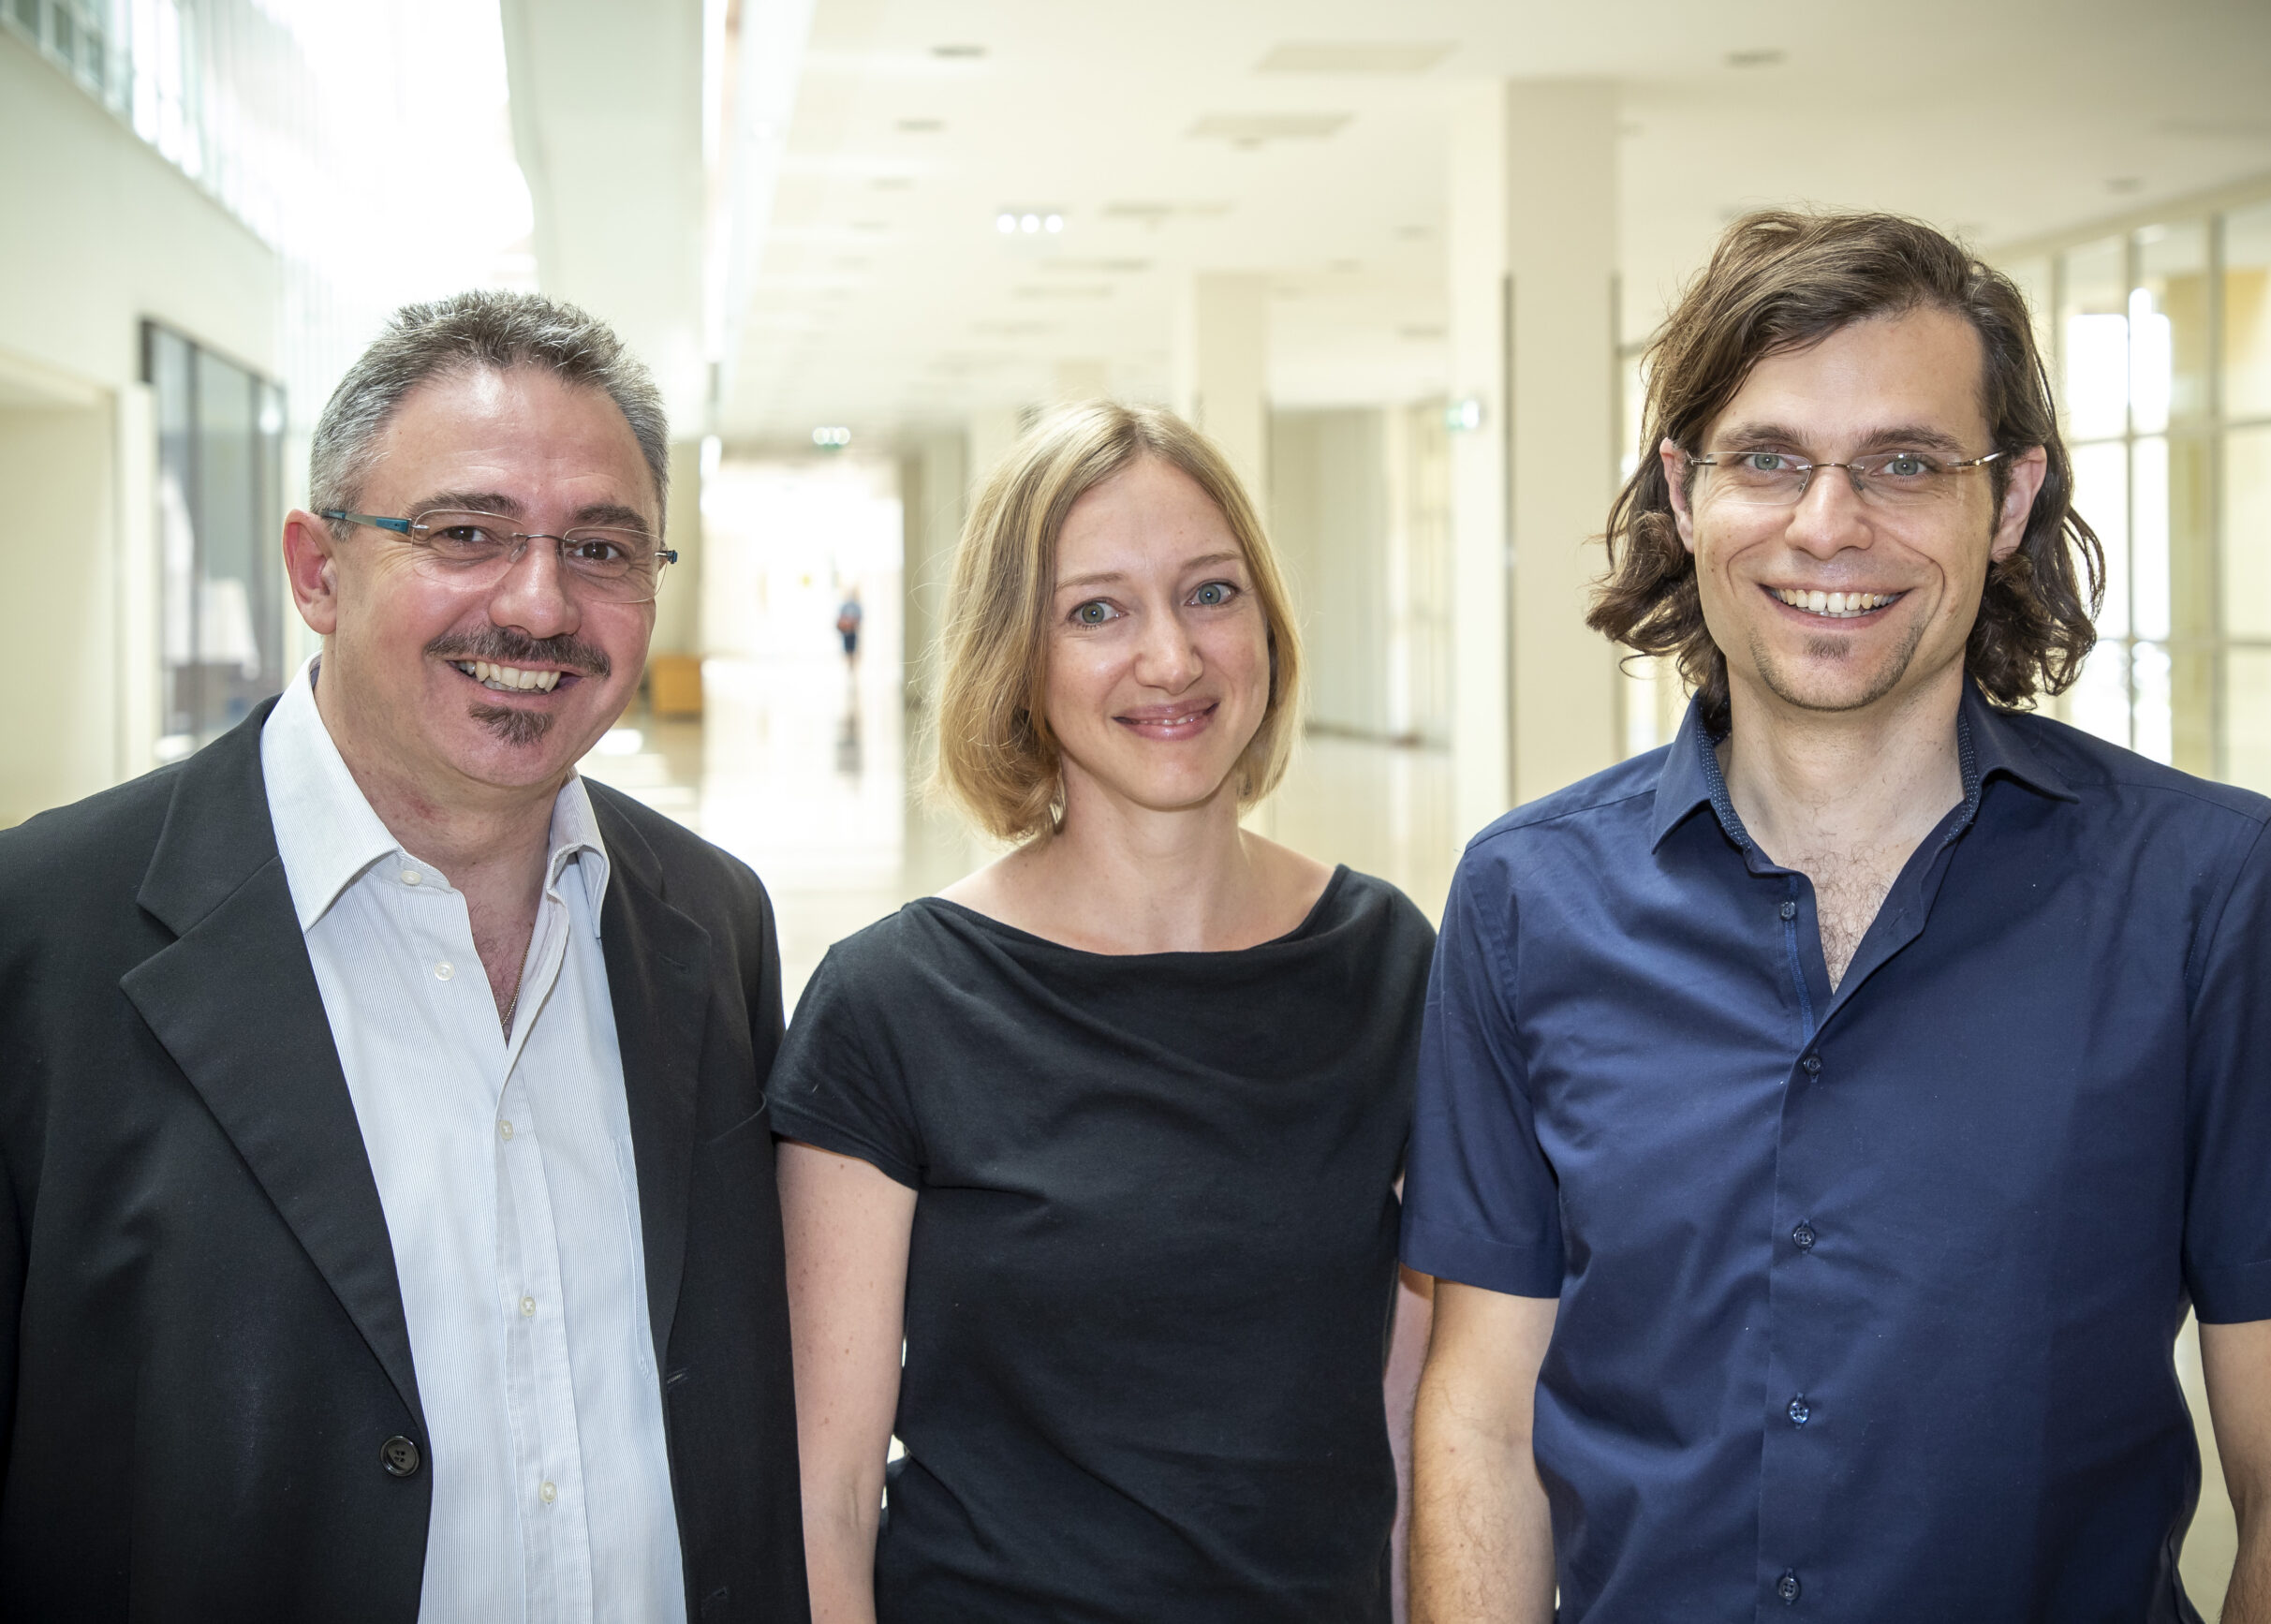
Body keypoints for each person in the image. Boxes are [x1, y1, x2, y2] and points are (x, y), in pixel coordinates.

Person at [1404, 212, 2271, 1622]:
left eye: (1907, 463)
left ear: (2010, 500)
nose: (1828, 525)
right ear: (1683, 492)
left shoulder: (2212, 892)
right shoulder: (1523, 898)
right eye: (1767, 458)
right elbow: (1483, 1424)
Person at [0, 291, 806, 1620]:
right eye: (464, 533)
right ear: (317, 571)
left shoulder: (712, 920)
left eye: (601, 547)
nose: (539, 605)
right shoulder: (43, 938)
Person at [774, 402, 1437, 1623]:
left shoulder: (1384, 962)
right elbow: (827, 1492)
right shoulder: (892, 1003)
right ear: (1017, 658)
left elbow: (1405, 1414)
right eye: (1097, 611)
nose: (1172, 659)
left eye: (1210, 593)